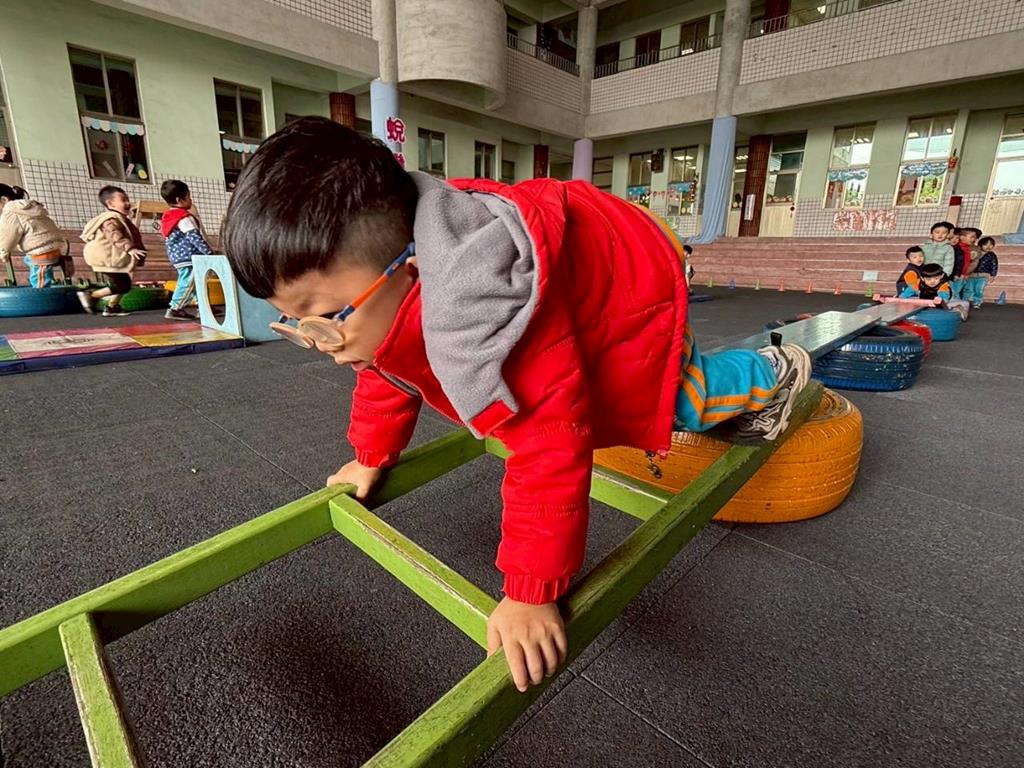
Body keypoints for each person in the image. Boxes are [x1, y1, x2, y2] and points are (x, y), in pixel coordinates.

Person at [222, 118, 812, 694]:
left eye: (324, 318)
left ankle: (771, 373)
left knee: (680, 399)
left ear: (412, 272)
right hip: (570, 277)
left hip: (629, 278)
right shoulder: (387, 290)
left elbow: (549, 443)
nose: (317, 342)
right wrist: (370, 454)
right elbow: (386, 368)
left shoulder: (494, 315)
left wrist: (531, 591)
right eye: (293, 323)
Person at [79, 186, 147, 316]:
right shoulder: (110, 219)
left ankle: (112, 307)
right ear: (110, 204)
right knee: (123, 285)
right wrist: (130, 248)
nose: (128, 203)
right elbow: (114, 235)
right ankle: (92, 295)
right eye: (123, 200)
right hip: (106, 257)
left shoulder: (119, 218)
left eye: (127, 199)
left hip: (111, 257)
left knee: (124, 283)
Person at [160, 179, 213, 321]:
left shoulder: (168, 217)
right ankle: (175, 308)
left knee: (198, 283)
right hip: (189, 257)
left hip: (178, 257)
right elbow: (194, 237)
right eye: (189, 197)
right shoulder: (183, 218)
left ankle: (204, 307)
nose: (191, 200)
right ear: (179, 200)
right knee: (188, 283)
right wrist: (209, 252)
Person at [0, 184, 70, 287]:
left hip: (41, 250)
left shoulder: (10, 213)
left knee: (39, 279)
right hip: (56, 246)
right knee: (30, 261)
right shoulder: (31, 208)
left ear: (4, 199)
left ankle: (42, 295)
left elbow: (8, 236)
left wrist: (3, 252)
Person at [901, 263, 970, 320]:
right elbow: (909, 291)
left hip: (942, 303)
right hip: (925, 302)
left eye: (936, 278)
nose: (932, 281)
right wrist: (901, 297)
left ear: (941, 276)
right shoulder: (918, 283)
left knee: (963, 303)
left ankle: (959, 310)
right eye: (928, 279)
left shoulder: (943, 285)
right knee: (910, 301)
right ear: (922, 278)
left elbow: (944, 297)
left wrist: (939, 299)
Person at [964, 236, 998, 308]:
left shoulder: (991, 255)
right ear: (980, 245)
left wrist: (993, 275)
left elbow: (994, 265)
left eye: (991, 244)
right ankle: (966, 301)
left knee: (979, 289)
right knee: (968, 288)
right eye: (986, 244)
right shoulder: (975, 252)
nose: (988, 246)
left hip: (983, 276)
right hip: (971, 274)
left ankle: (977, 302)